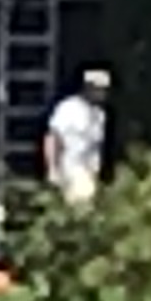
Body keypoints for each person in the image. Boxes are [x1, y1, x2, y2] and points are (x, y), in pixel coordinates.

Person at [44, 67, 112, 210]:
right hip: (70, 169)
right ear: (88, 88)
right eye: (100, 89)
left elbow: (96, 147)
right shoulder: (69, 108)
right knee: (80, 207)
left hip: (89, 172)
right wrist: (53, 168)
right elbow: (53, 138)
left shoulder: (99, 115)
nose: (104, 93)